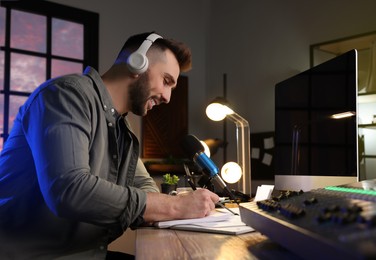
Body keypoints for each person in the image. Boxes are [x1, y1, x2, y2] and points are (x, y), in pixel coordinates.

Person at [0, 32, 220, 259]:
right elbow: (69, 190)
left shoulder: (121, 127)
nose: (167, 97)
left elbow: (144, 184)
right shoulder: (66, 96)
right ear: (137, 62)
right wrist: (175, 206)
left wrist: (167, 204)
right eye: (166, 81)